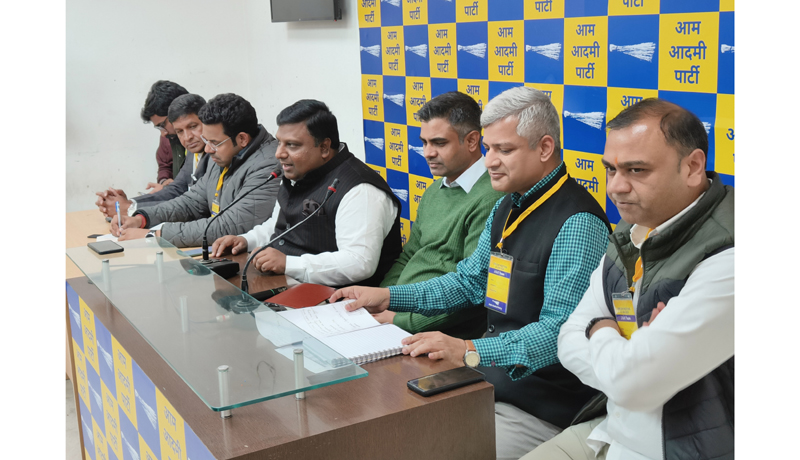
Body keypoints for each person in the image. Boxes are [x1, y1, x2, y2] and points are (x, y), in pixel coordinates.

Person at [329, 86, 611, 459]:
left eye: (504, 150)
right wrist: (388, 295)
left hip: (542, 405)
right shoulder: (507, 205)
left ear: (545, 148)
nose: (490, 161)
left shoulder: (577, 223)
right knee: (386, 433)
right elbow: (469, 280)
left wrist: (468, 350)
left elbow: (557, 333)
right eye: (489, 148)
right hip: (488, 381)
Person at [524, 99, 734, 460]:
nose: (615, 188)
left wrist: (601, 330)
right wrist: (627, 354)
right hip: (606, 429)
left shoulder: (732, 257)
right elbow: (568, 339)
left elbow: (632, 383)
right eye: (611, 169)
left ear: (693, 167)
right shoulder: (633, 229)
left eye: (636, 170)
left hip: (676, 447)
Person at [211, 99, 401, 287]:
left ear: (325, 148)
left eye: (292, 145)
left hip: (339, 301)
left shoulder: (360, 190)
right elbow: (281, 225)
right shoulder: (299, 171)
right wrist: (246, 240)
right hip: (288, 283)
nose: (279, 153)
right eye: (279, 143)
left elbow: (359, 263)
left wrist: (288, 264)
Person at [375, 91, 505, 340]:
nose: (427, 152)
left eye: (439, 143)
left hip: (438, 336)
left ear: (471, 141)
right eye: (424, 142)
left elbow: (474, 290)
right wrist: (382, 300)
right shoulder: (436, 189)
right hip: (396, 320)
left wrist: (400, 319)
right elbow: (409, 257)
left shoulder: (492, 197)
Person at [112, 93, 280, 248]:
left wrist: (154, 235)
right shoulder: (224, 153)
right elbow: (191, 202)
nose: (207, 150)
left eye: (214, 142)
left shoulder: (269, 165)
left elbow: (229, 225)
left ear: (242, 139)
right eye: (206, 141)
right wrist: (142, 219)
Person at [98, 94, 212, 217]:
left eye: (193, 126)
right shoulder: (193, 149)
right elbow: (177, 188)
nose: (187, 137)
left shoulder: (216, 154)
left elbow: (193, 204)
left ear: (206, 120)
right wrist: (130, 203)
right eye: (179, 131)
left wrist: (132, 209)